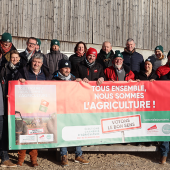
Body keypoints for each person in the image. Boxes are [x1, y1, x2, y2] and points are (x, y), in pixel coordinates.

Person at [15, 53, 50, 167]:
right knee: (23, 132)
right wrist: (19, 81)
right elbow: (14, 84)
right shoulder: (23, 71)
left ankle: (33, 159)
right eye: (35, 61)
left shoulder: (45, 74)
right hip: (25, 106)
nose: (36, 64)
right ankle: (20, 158)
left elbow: (50, 90)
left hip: (39, 109)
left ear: (42, 64)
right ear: (31, 61)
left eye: (39, 62)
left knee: (36, 132)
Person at [52, 59, 89, 166]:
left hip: (73, 109)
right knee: (63, 131)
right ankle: (64, 155)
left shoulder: (74, 79)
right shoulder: (54, 79)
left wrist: (81, 83)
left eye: (69, 68)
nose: (67, 70)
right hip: (60, 110)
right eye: (65, 67)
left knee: (76, 130)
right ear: (60, 69)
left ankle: (78, 155)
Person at [0, 50, 17, 168]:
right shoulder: (3, 68)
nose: (15, 59)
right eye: (13, 57)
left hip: (5, 105)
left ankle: (4, 157)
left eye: (17, 57)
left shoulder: (4, 68)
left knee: (3, 131)